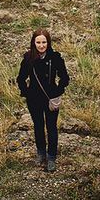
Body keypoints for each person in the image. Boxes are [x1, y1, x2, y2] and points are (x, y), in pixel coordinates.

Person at [16, 28, 69, 172]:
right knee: (38, 127)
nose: (41, 45)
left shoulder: (55, 57)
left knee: (52, 128)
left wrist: (57, 91)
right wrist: (26, 92)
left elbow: (64, 78)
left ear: (48, 42)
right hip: (34, 100)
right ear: (33, 43)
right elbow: (21, 78)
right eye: (38, 42)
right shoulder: (28, 58)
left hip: (51, 99)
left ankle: (51, 158)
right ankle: (40, 154)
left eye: (44, 42)